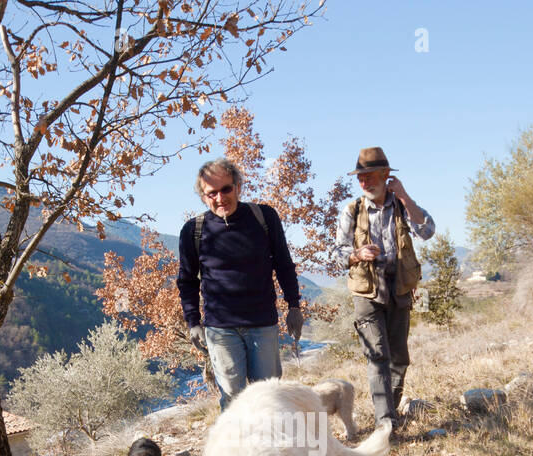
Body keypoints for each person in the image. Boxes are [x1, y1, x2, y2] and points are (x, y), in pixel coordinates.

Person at [176, 159, 303, 410]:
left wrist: (294, 306)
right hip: (220, 328)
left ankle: (270, 448)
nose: (220, 198)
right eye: (211, 193)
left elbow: (284, 264)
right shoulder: (193, 231)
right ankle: (237, 449)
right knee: (233, 399)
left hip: (262, 323)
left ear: (238, 187)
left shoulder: (264, 217)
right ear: (203, 196)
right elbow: (187, 281)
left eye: (226, 189)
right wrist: (193, 323)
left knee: (268, 396)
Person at [334, 147, 435, 432]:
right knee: (378, 353)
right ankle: (386, 423)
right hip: (367, 289)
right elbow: (337, 252)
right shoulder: (352, 210)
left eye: (370, 176)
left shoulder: (402, 206)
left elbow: (427, 231)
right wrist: (357, 254)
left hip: (400, 286)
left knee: (399, 356)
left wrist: (404, 196)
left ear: (386, 175)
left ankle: (390, 410)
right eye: (361, 178)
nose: (365, 182)